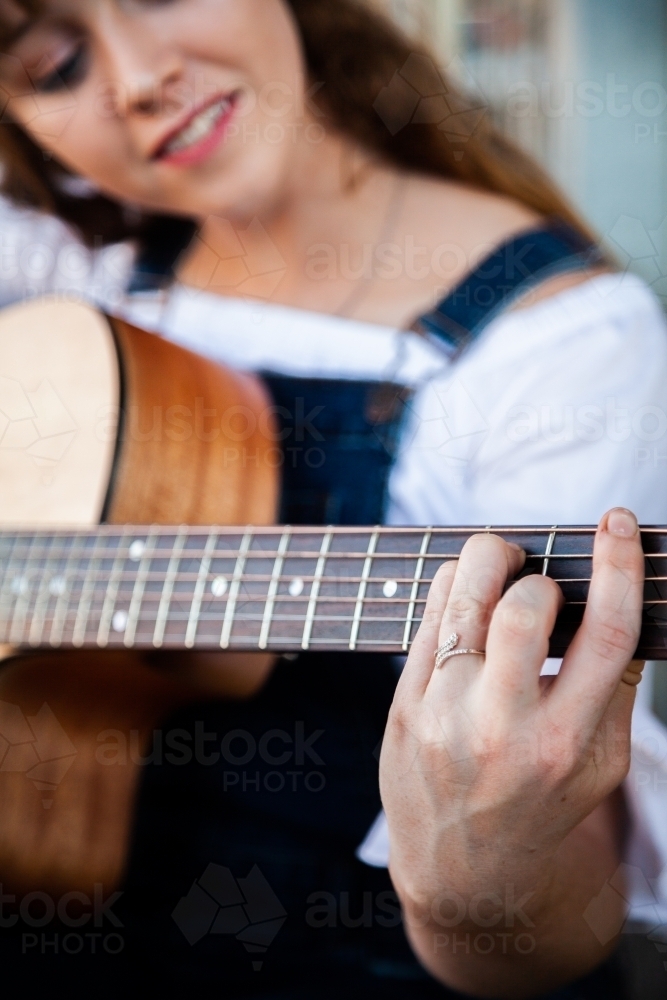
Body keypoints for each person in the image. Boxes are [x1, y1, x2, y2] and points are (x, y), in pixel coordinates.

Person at [0, 1, 665, 996]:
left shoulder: (559, 345)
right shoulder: (70, 256)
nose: (137, 77)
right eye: (53, 65)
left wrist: (471, 880)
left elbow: (549, 939)